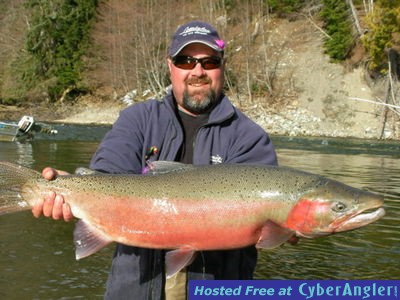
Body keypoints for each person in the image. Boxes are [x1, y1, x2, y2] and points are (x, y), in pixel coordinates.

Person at [32, 20, 278, 299]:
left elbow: (267, 225)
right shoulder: (137, 120)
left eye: (209, 62)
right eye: (186, 61)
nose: (198, 71)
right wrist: (66, 191)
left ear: (222, 67)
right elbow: (105, 178)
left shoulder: (249, 137)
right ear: (169, 66)